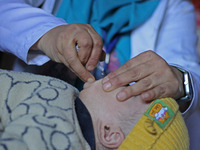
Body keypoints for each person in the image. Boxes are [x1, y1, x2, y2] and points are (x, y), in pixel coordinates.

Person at [0, 0, 200, 149]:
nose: (106, 79)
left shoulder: (174, 9)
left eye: (126, 87)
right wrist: (46, 34)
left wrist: (181, 80)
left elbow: (190, 73)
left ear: (109, 133)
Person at [0, 69, 189, 150]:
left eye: (129, 91)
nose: (123, 82)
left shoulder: (62, 134)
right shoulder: (70, 103)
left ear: (109, 133)